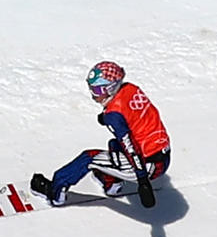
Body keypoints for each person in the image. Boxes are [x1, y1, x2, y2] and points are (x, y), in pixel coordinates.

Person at [37, 59, 173, 208]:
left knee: (88, 158)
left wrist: (143, 181)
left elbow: (130, 147)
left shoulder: (114, 115)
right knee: (114, 144)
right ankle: (112, 183)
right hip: (162, 153)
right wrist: (107, 117)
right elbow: (133, 115)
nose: (93, 96)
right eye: (91, 89)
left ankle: (55, 192)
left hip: (149, 166)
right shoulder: (131, 89)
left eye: (97, 91)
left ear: (111, 88)